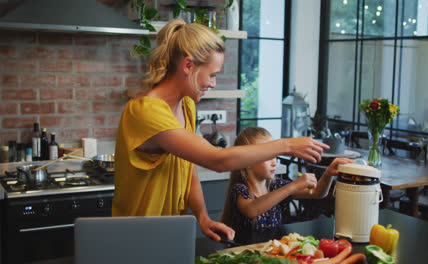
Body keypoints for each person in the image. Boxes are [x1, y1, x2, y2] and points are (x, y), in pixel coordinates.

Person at [112, 19, 329, 242]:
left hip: (169, 232)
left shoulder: (186, 106)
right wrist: (288, 145)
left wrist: (203, 217)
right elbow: (217, 160)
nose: (214, 83)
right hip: (136, 235)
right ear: (188, 66)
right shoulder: (145, 111)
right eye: (213, 74)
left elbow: (188, 168)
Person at [221, 127, 353, 233]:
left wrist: (329, 173)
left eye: (275, 156)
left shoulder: (275, 186)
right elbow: (252, 210)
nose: (274, 163)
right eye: (268, 157)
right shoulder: (240, 190)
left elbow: (318, 192)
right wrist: (292, 186)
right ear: (248, 161)